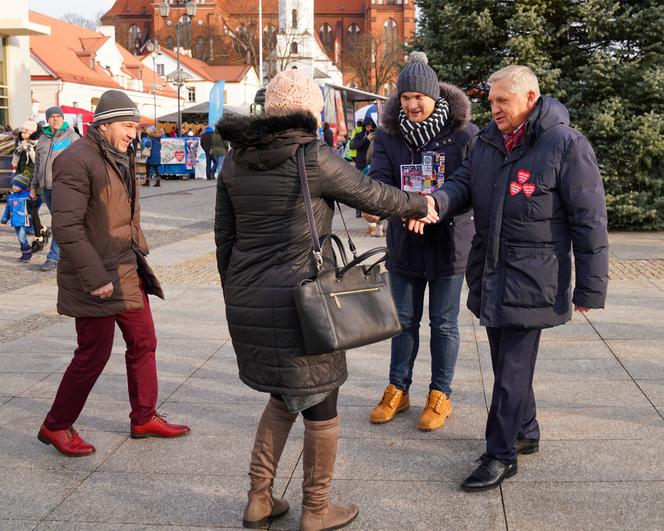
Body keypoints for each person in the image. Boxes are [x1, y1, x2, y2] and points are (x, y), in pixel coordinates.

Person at [215, 69, 437, 531]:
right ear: (310, 110)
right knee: (321, 400)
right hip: (303, 300)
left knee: (283, 393)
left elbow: (225, 239)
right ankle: (316, 509)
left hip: (249, 297)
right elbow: (371, 194)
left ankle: (259, 499)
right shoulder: (311, 155)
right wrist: (420, 204)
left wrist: (238, 293)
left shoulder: (235, 159)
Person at [409, 65, 609, 491]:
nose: (494, 108)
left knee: (511, 369)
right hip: (492, 269)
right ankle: (526, 431)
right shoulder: (487, 141)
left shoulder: (565, 145)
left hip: (535, 276)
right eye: (492, 100)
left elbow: (590, 221)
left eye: (503, 101)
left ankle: (500, 454)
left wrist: (591, 286)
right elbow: (462, 185)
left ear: (531, 99)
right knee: (507, 362)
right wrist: (434, 202)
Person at [37, 90, 190, 458]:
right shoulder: (76, 160)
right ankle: (55, 425)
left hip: (126, 267)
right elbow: (68, 227)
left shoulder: (120, 154)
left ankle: (144, 416)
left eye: (136, 127)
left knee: (144, 341)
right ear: (104, 125)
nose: (133, 134)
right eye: (127, 126)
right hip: (96, 276)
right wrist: (94, 277)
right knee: (93, 353)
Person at [366, 52, 477, 431]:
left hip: (449, 242)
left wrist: (431, 207)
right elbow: (380, 179)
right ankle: (398, 388)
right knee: (404, 321)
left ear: (434, 97)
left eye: (419, 97)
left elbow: (465, 186)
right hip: (405, 242)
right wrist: (379, 207)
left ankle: (440, 394)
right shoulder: (388, 135)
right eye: (406, 97)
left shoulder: (464, 135)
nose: (412, 105)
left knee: (443, 323)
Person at [30, 106, 79, 271]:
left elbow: (83, 162)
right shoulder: (43, 139)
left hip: (64, 188)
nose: (56, 119)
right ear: (48, 119)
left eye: (59, 116)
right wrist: (33, 186)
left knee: (58, 222)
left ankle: (53, 257)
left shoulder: (72, 137)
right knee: (64, 223)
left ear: (63, 119)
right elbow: (37, 166)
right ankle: (74, 252)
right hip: (47, 189)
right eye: (52, 117)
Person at [12, 119, 50, 252]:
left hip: (35, 183)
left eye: (26, 132)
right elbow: (19, 166)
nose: (23, 135)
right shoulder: (21, 146)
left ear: (33, 133)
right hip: (23, 182)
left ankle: (38, 238)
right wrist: (17, 180)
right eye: (22, 132)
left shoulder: (37, 146)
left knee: (33, 211)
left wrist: (26, 182)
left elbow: (36, 164)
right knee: (29, 213)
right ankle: (43, 230)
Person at [1, 174, 34, 261]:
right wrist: (4, 218)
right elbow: (7, 209)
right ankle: (25, 254)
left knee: (21, 237)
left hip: (24, 220)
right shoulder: (11, 197)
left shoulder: (27, 195)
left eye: (16, 185)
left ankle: (28, 254)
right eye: (13, 185)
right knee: (20, 238)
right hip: (15, 221)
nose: (13, 187)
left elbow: (36, 203)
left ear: (22, 186)